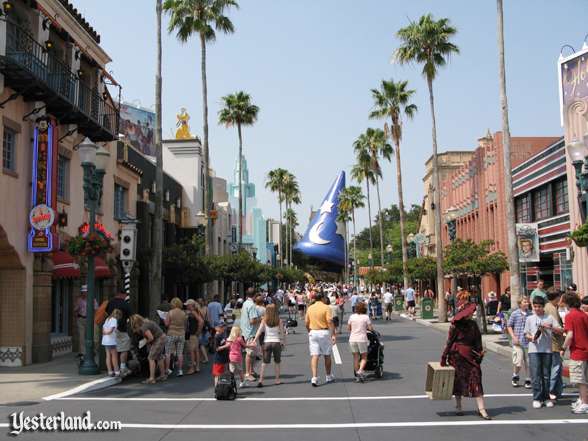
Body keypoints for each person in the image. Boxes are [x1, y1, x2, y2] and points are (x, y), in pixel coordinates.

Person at [440, 292, 491, 420]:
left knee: (476, 379)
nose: (472, 313)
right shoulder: (455, 326)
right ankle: (458, 406)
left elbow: (478, 341)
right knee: (458, 381)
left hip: (470, 355)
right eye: (470, 312)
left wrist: (480, 354)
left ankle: (482, 409)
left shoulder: (473, 325)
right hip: (456, 356)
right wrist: (443, 357)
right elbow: (449, 342)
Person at [524, 296, 561, 409]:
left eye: (539, 306)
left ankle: (546, 397)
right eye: (535, 307)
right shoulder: (529, 318)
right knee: (535, 375)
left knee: (546, 375)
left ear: (543, 306)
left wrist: (549, 327)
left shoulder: (549, 317)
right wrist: (531, 338)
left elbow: (560, 330)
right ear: (533, 307)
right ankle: (537, 398)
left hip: (547, 350)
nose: (537, 309)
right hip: (534, 350)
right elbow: (526, 334)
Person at [561, 292, 588, 414]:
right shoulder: (583, 314)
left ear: (567, 303)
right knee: (583, 378)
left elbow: (570, 335)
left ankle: (584, 403)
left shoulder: (570, 316)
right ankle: (582, 400)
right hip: (585, 350)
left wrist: (563, 348)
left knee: (580, 380)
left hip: (578, 351)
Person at [305, 292, 336, 387]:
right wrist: (333, 334)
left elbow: (306, 322)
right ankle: (328, 375)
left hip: (313, 332)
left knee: (315, 355)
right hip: (324, 332)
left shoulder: (310, 308)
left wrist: (309, 330)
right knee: (327, 354)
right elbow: (329, 321)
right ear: (322, 298)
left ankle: (314, 377)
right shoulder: (326, 307)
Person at [254, 304, 286, 387]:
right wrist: (283, 342)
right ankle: (277, 380)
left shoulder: (264, 320)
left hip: (267, 342)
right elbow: (282, 333)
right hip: (276, 342)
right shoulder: (279, 320)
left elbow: (259, 331)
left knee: (264, 362)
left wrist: (254, 340)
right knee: (277, 362)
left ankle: (261, 380)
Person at [130, 314, 167, 385]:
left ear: (136, 323)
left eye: (134, 325)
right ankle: (162, 375)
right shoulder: (146, 322)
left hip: (159, 339)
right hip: (162, 337)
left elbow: (151, 338)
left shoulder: (144, 327)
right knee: (159, 357)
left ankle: (152, 378)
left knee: (151, 358)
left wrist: (145, 342)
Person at [507, 296, 532, 388]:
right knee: (518, 362)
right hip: (518, 341)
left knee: (529, 362)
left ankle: (528, 379)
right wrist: (513, 337)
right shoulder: (515, 314)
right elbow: (509, 326)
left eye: (527, 302)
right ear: (520, 304)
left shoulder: (531, 314)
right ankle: (515, 375)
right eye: (525, 302)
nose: (527, 303)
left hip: (529, 342)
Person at [544, 289, 565, 400]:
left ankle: (557, 390)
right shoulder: (551, 309)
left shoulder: (549, 307)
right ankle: (550, 390)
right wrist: (564, 330)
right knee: (555, 367)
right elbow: (556, 328)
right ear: (557, 297)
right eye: (560, 296)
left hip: (550, 342)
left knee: (556, 367)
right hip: (553, 342)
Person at [106, 291, 132, 376]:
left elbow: (106, 312)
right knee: (124, 348)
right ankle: (122, 367)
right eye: (126, 295)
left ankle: (112, 370)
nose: (126, 297)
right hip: (121, 329)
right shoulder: (125, 304)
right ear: (122, 295)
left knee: (111, 352)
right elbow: (131, 316)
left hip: (109, 332)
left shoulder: (110, 303)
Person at [347, 302, 373, 382]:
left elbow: (348, 328)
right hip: (362, 339)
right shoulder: (365, 317)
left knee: (355, 358)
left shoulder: (352, 317)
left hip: (352, 339)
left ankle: (357, 376)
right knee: (364, 357)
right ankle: (360, 370)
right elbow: (370, 328)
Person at [240, 288, 261, 381]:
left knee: (252, 353)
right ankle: (248, 373)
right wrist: (260, 318)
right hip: (251, 332)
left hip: (246, 331)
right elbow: (252, 321)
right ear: (255, 295)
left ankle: (251, 371)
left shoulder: (245, 303)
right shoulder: (252, 305)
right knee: (249, 353)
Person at [164, 297, 187, 377]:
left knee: (168, 353)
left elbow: (166, 324)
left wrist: (164, 319)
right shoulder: (183, 313)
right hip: (181, 334)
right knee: (180, 353)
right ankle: (180, 370)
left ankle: (167, 369)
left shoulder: (170, 312)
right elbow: (185, 324)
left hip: (171, 333)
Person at [74, 285, 98, 357]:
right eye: (83, 292)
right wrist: (76, 312)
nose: (84, 293)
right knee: (81, 336)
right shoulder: (79, 300)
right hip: (81, 319)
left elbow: (96, 309)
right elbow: (75, 309)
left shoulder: (93, 300)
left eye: (85, 292)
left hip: (89, 319)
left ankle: (93, 350)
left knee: (92, 336)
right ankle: (82, 352)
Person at [184, 299, 204, 374]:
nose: (186, 306)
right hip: (194, 334)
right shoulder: (196, 311)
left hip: (193, 333)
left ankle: (192, 367)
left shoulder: (193, 312)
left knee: (192, 351)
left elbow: (201, 321)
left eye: (187, 305)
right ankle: (197, 366)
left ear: (190, 305)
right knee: (196, 350)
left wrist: (198, 331)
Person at [102, 309, 122, 377]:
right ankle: (117, 371)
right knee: (114, 356)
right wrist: (108, 333)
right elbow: (111, 330)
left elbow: (103, 329)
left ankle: (110, 371)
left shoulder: (107, 319)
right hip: (111, 340)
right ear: (118, 315)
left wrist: (104, 333)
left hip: (105, 340)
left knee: (108, 356)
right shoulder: (114, 320)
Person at [212, 322, 228, 386]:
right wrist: (226, 346)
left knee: (225, 373)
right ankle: (217, 389)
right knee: (217, 374)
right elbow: (217, 349)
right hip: (219, 359)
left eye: (223, 327)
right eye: (220, 327)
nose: (222, 328)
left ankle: (225, 388)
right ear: (216, 328)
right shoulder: (216, 337)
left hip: (224, 357)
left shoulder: (222, 335)